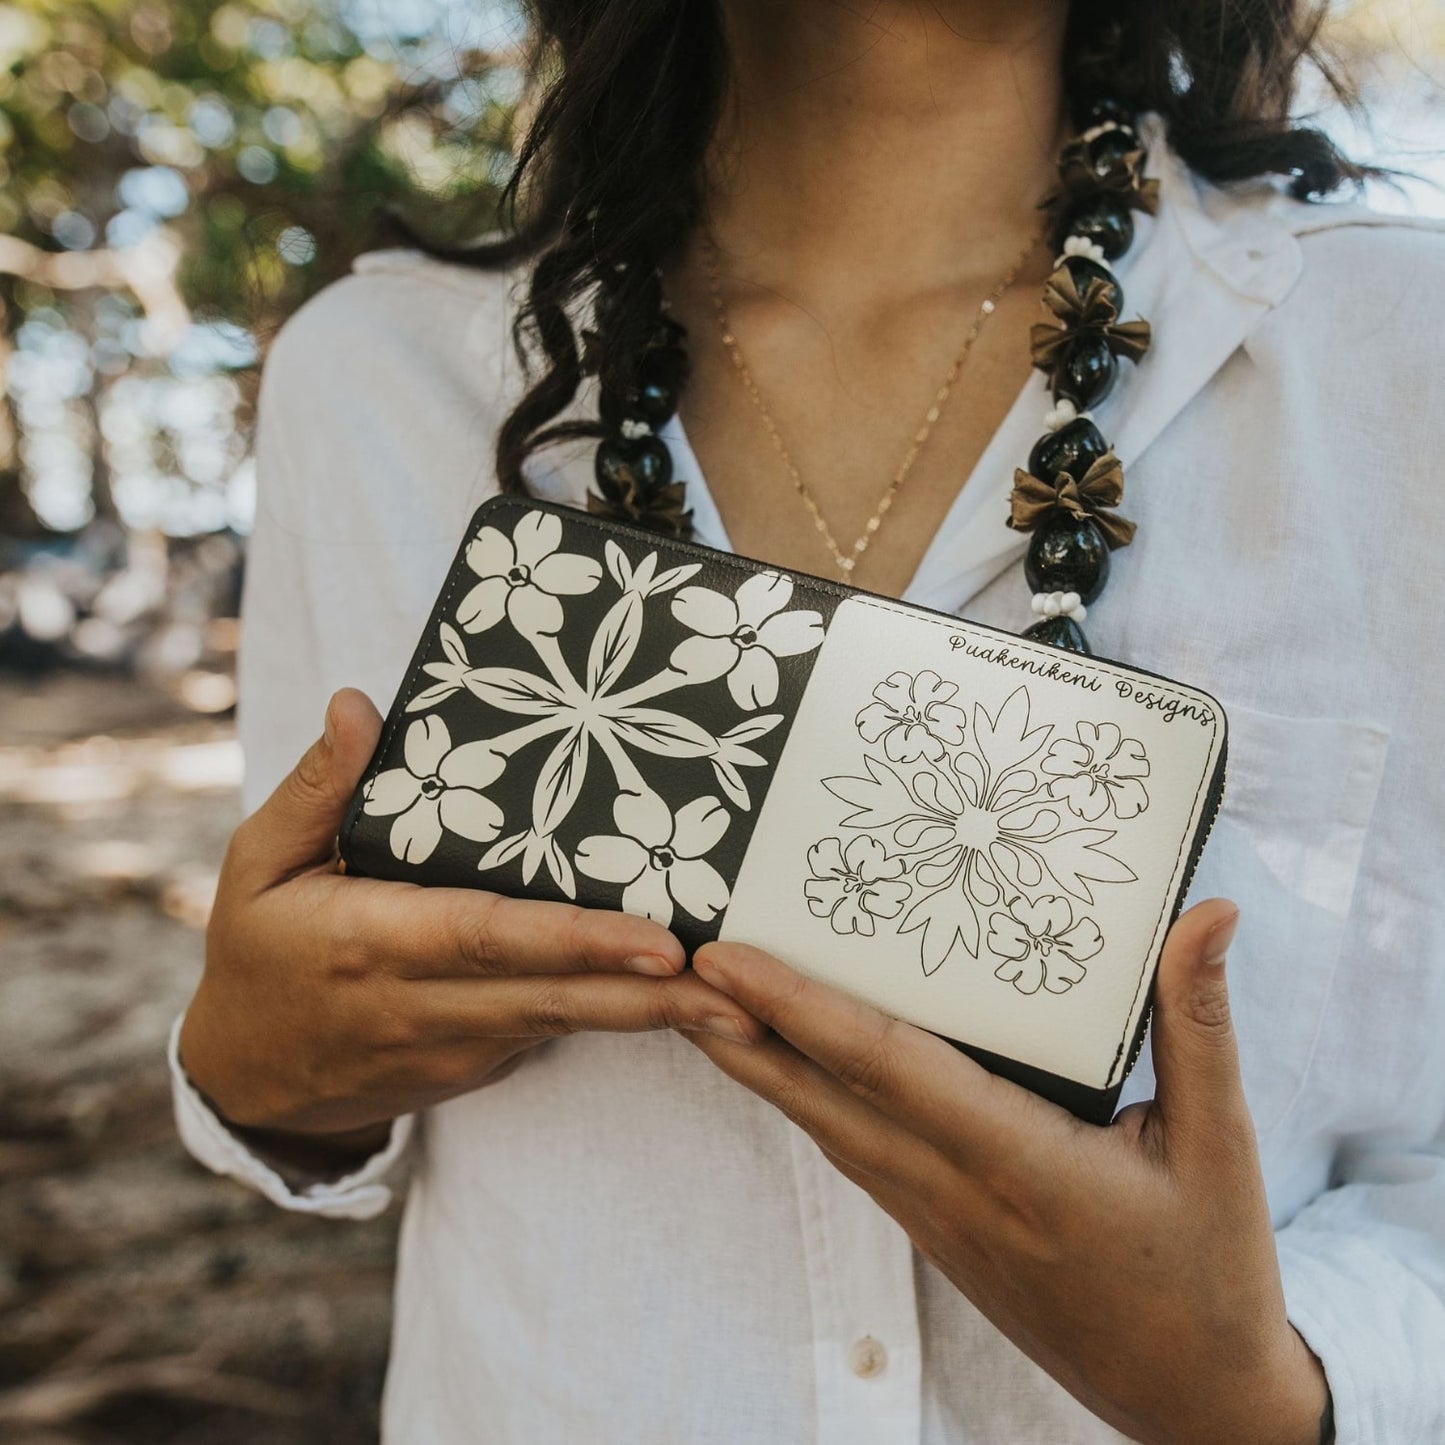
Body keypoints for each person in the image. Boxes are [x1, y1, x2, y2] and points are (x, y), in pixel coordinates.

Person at [172, 2, 1445, 1440]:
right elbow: (315, 1040)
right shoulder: (371, 379)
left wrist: (1278, 1387)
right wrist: (253, 1074)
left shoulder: (1407, 362)